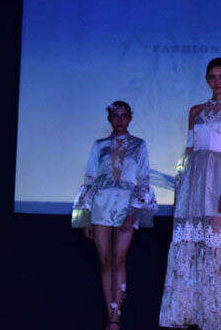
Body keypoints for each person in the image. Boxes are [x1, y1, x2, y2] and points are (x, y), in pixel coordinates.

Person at [159, 58, 221, 330]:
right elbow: (188, 153)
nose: (217, 81)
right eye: (212, 77)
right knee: (195, 246)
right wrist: (180, 187)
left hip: (220, 181)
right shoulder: (196, 111)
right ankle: (195, 313)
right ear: (206, 79)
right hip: (195, 183)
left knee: (219, 248)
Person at [72, 100, 157, 330]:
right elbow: (90, 178)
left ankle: (116, 317)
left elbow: (143, 180)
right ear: (109, 118)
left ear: (130, 118)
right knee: (105, 261)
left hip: (126, 205)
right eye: (115, 116)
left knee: (119, 259)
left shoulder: (139, 145)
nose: (120, 120)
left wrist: (133, 212)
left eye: (124, 115)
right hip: (101, 204)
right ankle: (109, 312)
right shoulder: (99, 145)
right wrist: (86, 215)